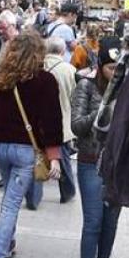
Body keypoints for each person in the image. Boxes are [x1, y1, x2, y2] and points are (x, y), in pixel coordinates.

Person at [0, 33, 63, 258]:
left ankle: (7, 242)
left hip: (1, 144)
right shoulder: (45, 80)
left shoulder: (4, 79)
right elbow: (52, 120)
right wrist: (54, 155)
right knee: (11, 203)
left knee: (9, 196)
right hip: (25, 149)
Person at [69, 53, 122, 258]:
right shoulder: (86, 86)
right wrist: (102, 111)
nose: (115, 73)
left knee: (111, 221)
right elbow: (77, 126)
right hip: (90, 161)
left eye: (119, 68)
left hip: (116, 165)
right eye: (111, 68)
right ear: (101, 67)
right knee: (93, 222)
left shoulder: (127, 89)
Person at [40, 36, 79, 206]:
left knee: (37, 157)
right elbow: (75, 97)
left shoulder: (37, 67)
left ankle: (33, 194)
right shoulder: (69, 70)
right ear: (63, 51)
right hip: (62, 122)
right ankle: (68, 191)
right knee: (63, 160)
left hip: (37, 121)